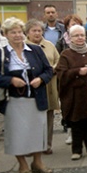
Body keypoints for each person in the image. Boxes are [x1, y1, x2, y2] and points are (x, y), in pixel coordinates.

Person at [0, 17, 54, 173]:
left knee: (37, 131)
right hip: (14, 101)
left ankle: (37, 162)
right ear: (6, 34)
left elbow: (48, 70)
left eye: (19, 32)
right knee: (17, 133)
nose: (17, 35)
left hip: (36, 98)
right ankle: (23, 165)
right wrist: (10, 80)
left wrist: (41, 79)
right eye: (13, 32)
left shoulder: (35, 50)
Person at [56, 25, 87, 160]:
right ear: (70, 38)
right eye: (76, 36)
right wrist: (77, 72)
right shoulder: (66, 55)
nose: (80, 38)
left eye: (82, 35)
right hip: (75, 96)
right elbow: (61, 74)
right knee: (76, 123)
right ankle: (76, 150)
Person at [25, 20, 60, 155]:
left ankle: (47, 144)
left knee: (48, 116)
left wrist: (53, 69)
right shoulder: (24, 47)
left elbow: (58, 59)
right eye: (34, 31)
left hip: (49, 84)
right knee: (32, 117)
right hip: (32, 86)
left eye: (39, 30)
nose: (37, 33)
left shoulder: (49, 45)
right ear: (28, 32)